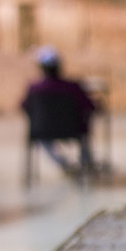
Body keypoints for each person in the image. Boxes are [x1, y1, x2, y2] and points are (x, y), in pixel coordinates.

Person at [21, 46, 96, 176]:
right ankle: (85, 164)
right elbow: (90, 106)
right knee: (85, 132)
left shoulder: (34, 89)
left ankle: (63, 163)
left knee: (42, 139)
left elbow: (24, 107)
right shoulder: (72, 87)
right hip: (73, 129)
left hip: (42, 130)